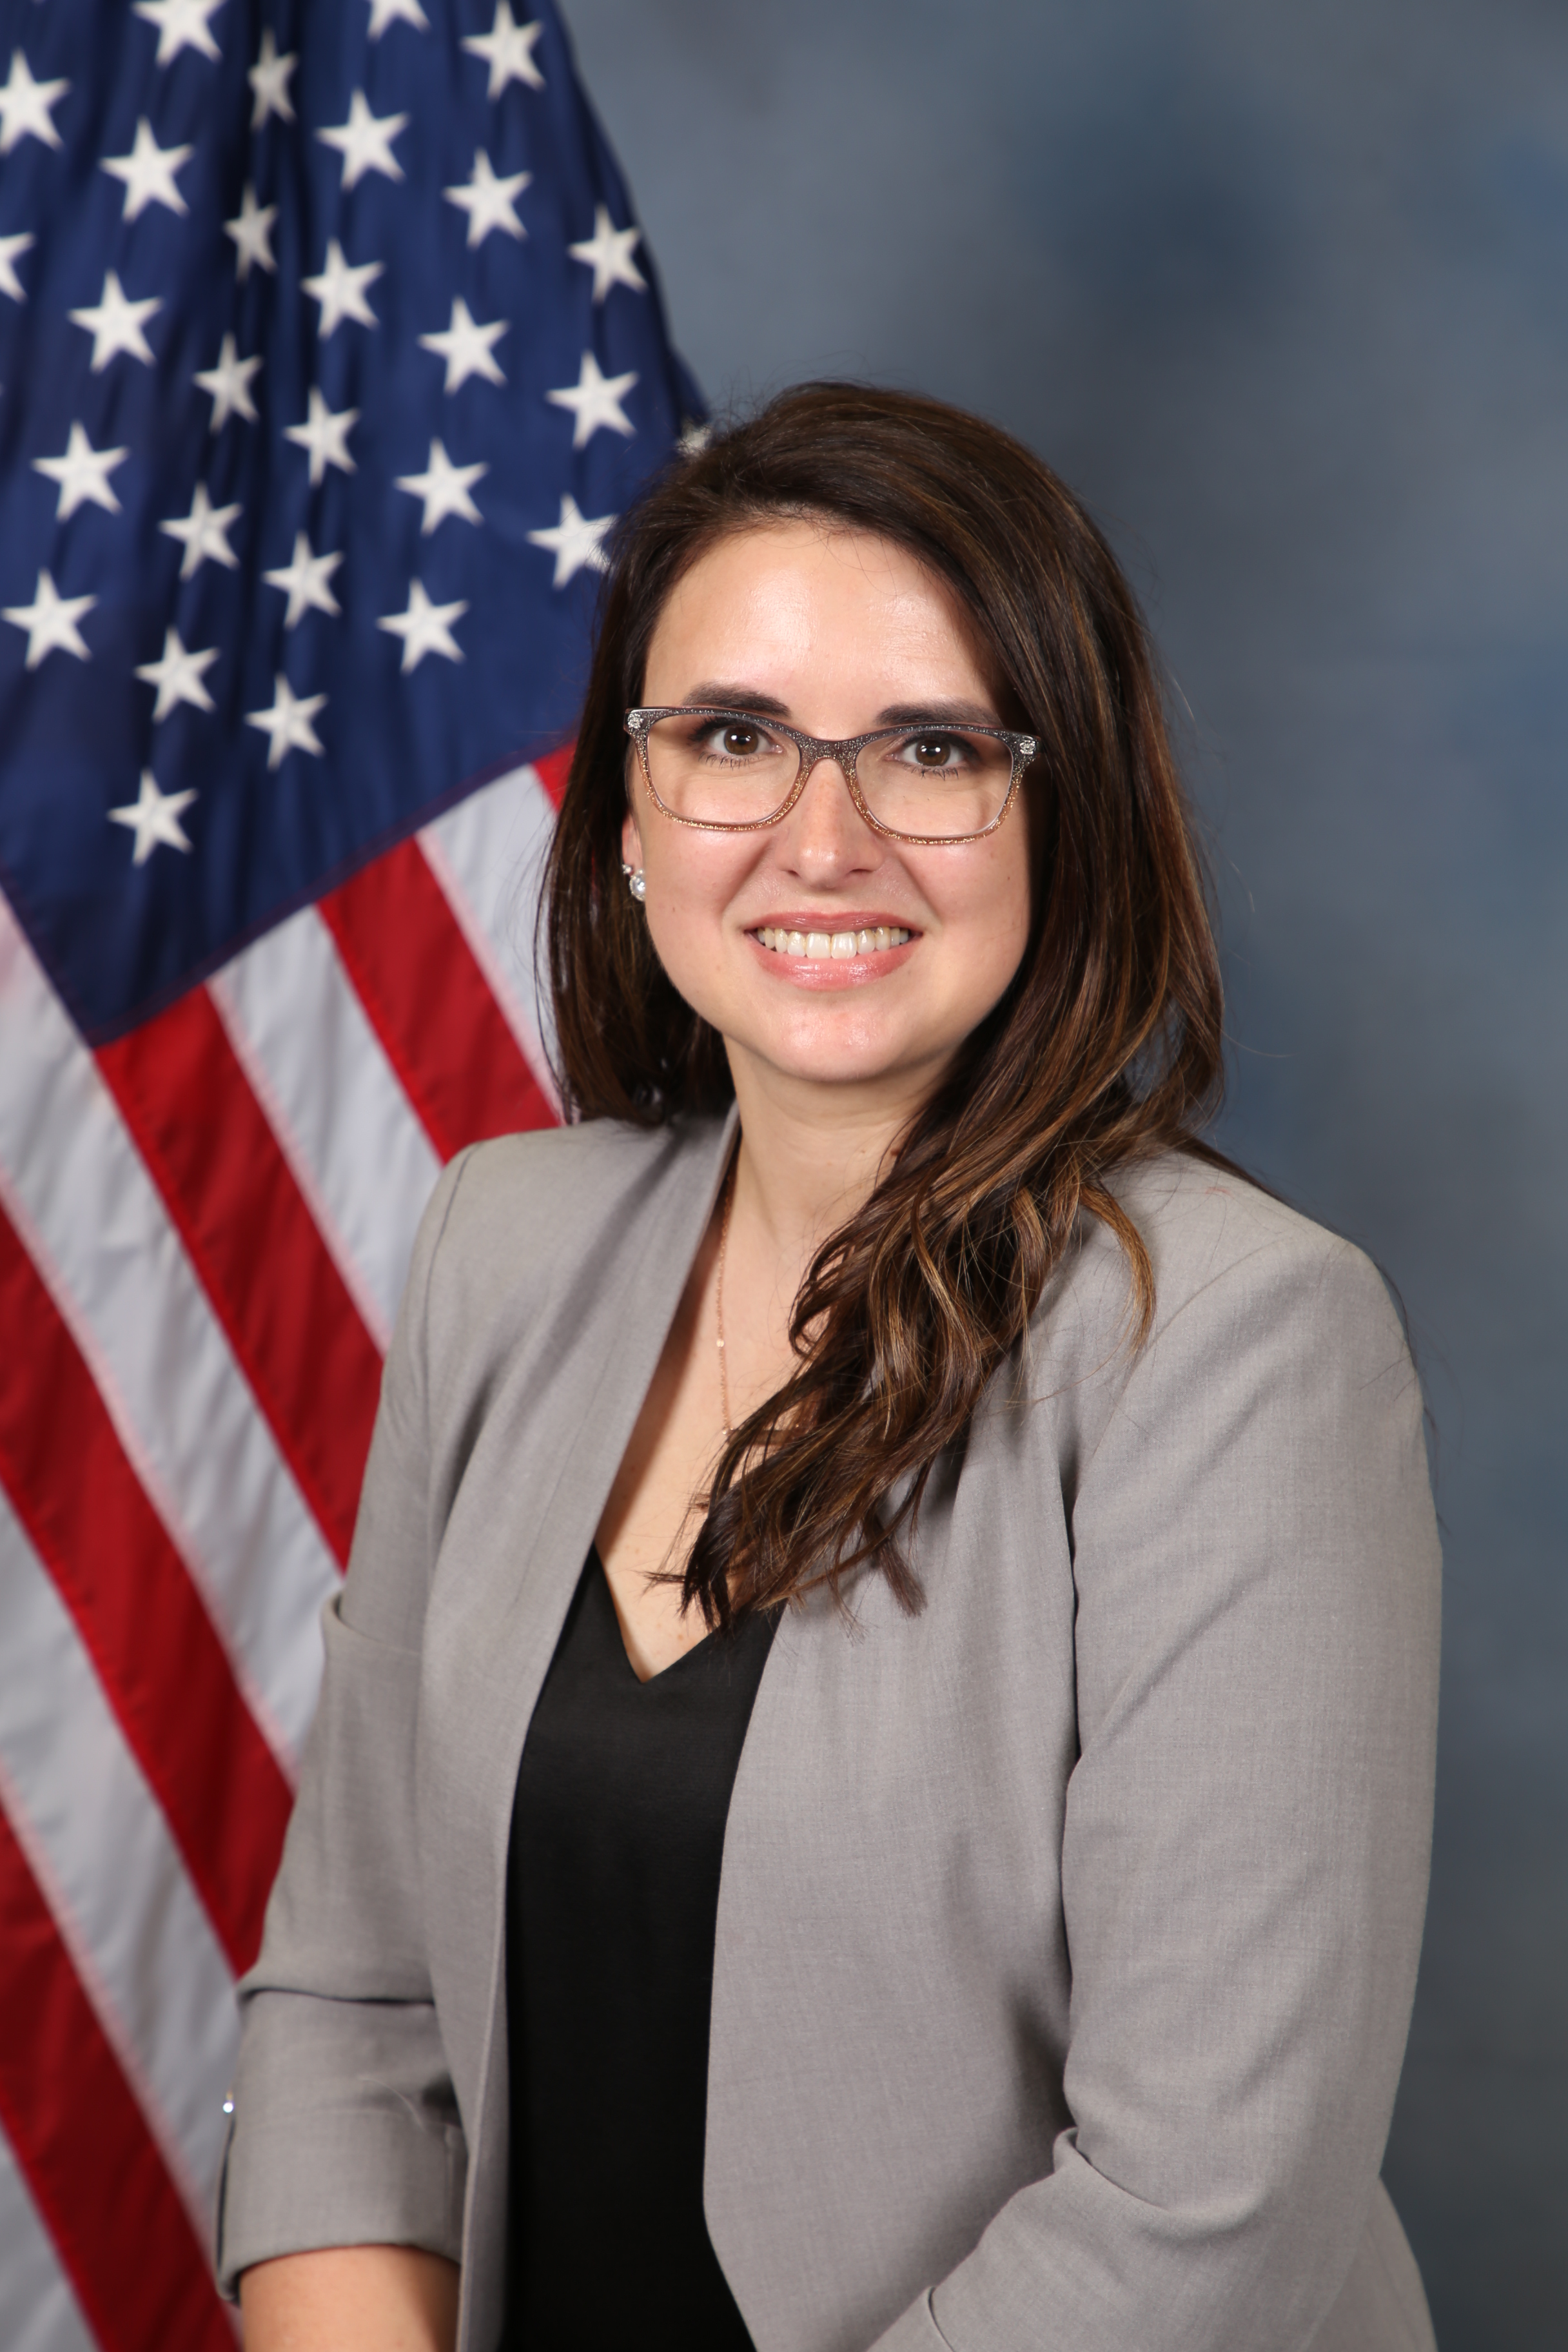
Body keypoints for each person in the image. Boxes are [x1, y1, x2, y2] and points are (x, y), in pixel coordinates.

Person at [220, 384, 1441, 2352]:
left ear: (1067, 813)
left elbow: (1208, 2212)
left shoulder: (1239, 1351)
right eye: (731, 738)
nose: (823, 837)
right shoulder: (507, 1250)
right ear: (630, 815)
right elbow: (356, 2017)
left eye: (933, 750)